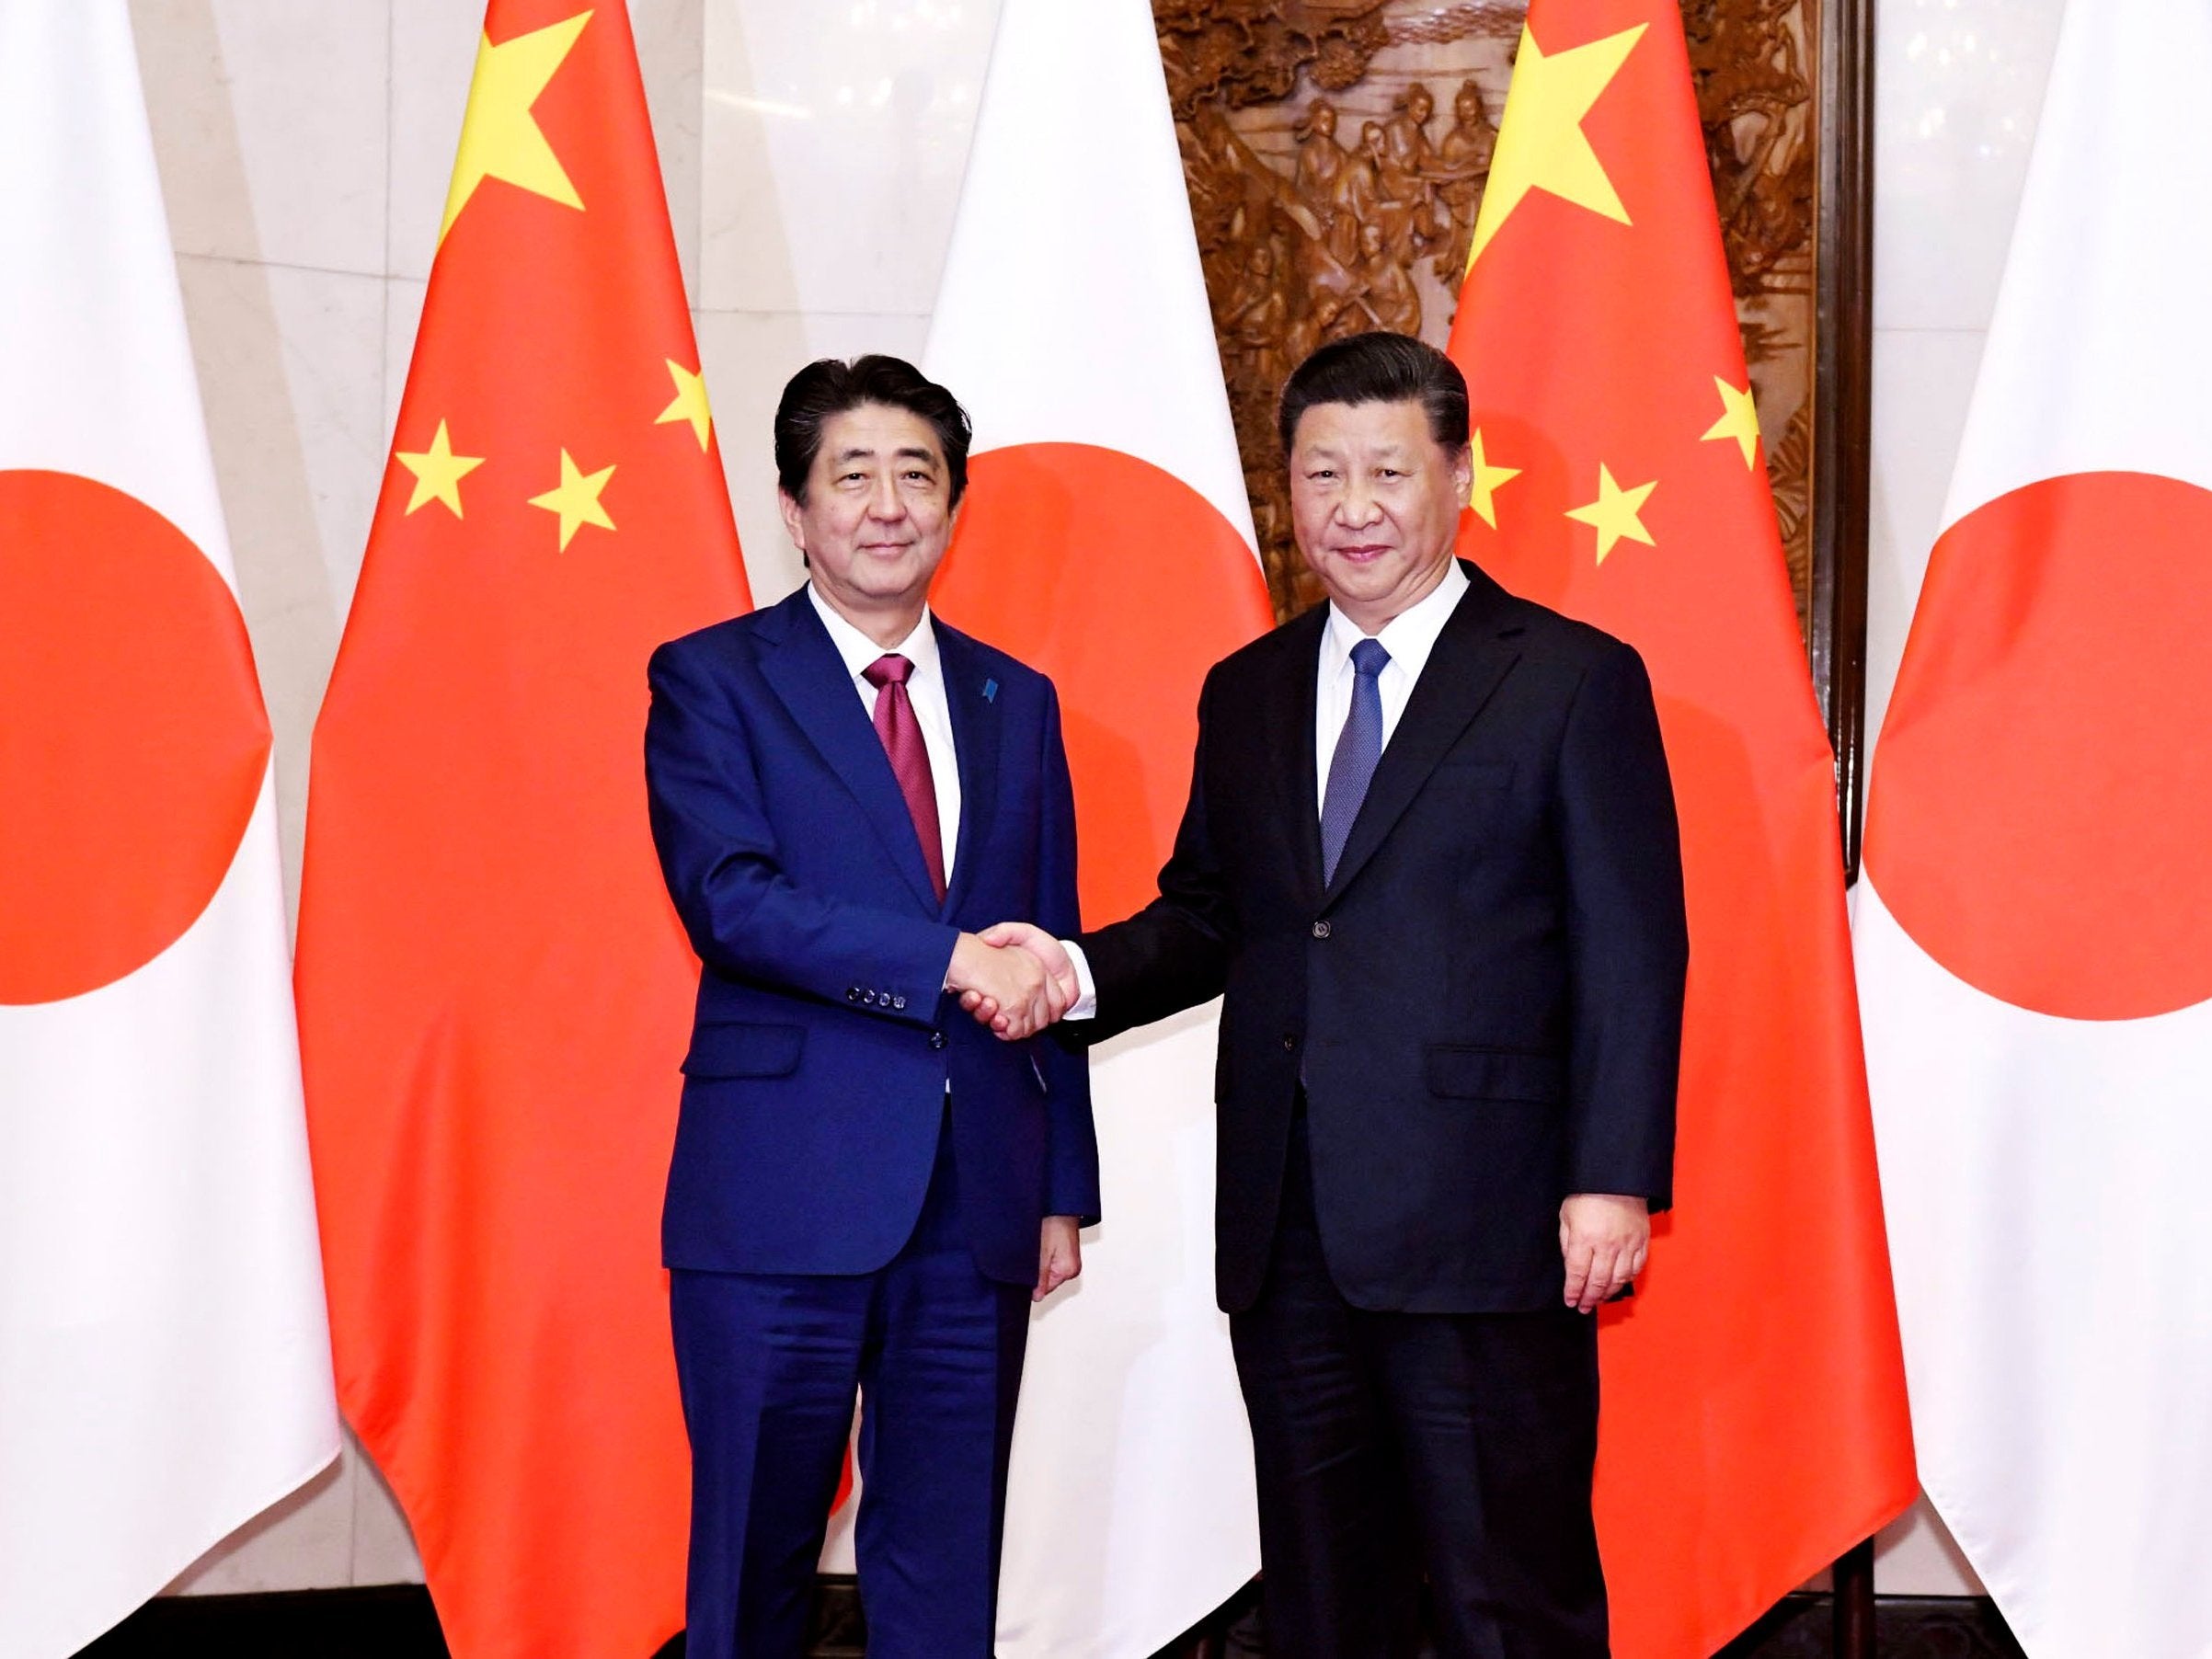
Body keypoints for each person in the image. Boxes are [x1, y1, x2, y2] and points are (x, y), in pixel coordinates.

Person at [976, 333, 1688, 1657]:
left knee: (1504, 1593)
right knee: (1320, 1596)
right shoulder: (1246, 690)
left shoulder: (1569, 677)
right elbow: (1212, 915)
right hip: (1287, 1226)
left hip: (1488, 1220)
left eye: (1384, 472)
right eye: (1319, 476)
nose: (1350, 509)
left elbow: (1632, 948)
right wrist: (1063, 971)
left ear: (1458, 477)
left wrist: (1611, 1176)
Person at [644, 354, 1100, 1658]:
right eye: (853, 475)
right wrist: (947, 960)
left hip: (977, 1204)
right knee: (751, 1558)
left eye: (918, 474)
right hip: (777, 1195)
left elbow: (1044, 947)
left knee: (945, 1559)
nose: (887, 504)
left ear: (954, 507)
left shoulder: (1018, 700)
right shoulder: (712, 678)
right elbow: (731, 901)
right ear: (794, 511)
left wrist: (1058, 1182)